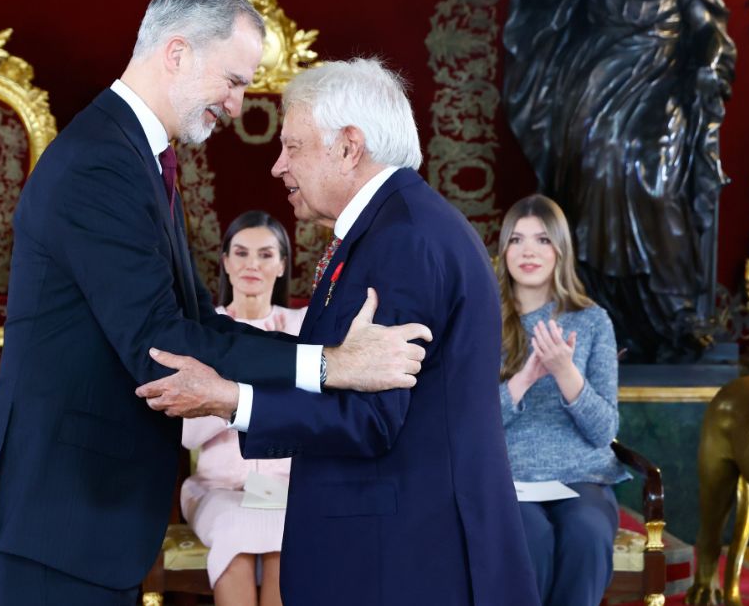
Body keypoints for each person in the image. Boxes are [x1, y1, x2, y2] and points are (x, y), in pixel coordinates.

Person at [0, 0, 431, 604]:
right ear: (177, 53)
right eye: (233, 81)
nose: (237, 106)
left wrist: (324, 360)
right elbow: (161, 340)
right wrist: (333, 365)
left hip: (81, 509)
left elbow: (197, 322)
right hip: (56, 509)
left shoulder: (136, 155)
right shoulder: (104, 161)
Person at [139, 57, 540, 604]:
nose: (279, 167)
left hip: (406, 560)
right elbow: (329, 363)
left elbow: (371, 418)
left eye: (294, 146)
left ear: (349, 146)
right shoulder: (391, 226)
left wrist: (231, 400)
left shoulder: (403, 241)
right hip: (392, 548)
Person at [502, 0, 736, 362]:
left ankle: (671, 308)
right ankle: (592, 301)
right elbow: (544, 10)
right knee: (595, 160)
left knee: (658, 180)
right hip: (595, 79)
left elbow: (708, 29)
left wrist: (708, 63)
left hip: (662, 81)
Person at [498, 194, 628, 606]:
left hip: (581, 477)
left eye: (542, 240)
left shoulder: (591, 320)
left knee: (586, 535)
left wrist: (565, 372)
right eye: (517, 240)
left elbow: (603, 431)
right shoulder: (481, 318)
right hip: (508, 477)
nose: (529, 252)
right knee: (530, 539)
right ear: (503, 251)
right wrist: (524, 379)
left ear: (560, 250)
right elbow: (468, 421)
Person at [182, 210, 303, 606]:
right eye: (242, 253)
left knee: (290, 537)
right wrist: (237, 391)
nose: (253, 264)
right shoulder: (201, 333)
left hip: (288, 490)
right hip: (217, 489)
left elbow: (309, 414)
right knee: (235, 529)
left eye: (266, 255)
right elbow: (186, 434)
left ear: (282, 264)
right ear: (226, 262)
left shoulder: (302, 330)